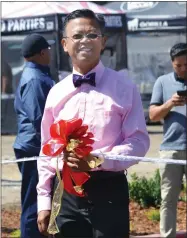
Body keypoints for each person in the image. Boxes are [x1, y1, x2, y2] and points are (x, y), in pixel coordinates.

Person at [37, 9, 150, 238]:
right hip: (66, 194)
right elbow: (47, 149)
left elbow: (138, 141)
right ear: (65, 45)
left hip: (108, 190)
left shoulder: (124, 87)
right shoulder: (56, 93)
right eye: (77, 36)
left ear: (103, 42)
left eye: (92, 35)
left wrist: (97, 159)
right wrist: (44, 201)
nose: (85, 41)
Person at [13, 33, 55, 238]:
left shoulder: (36, 74)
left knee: (39, 199)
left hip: (34, 145)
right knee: (34, 202)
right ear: (41, 53)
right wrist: (55, 144)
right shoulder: (35, 79)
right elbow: (40, 118)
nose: (50, 52)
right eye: (48, 49)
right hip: (34, 147)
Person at [149, 43, 187, 238]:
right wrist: (170, 103)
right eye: (178, 65)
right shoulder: (162, 82)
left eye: (186, 65)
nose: (183, 69)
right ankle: (168, 236)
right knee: (168, 199)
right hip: (171, 149)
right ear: (172, 63)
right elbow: (153, 115)